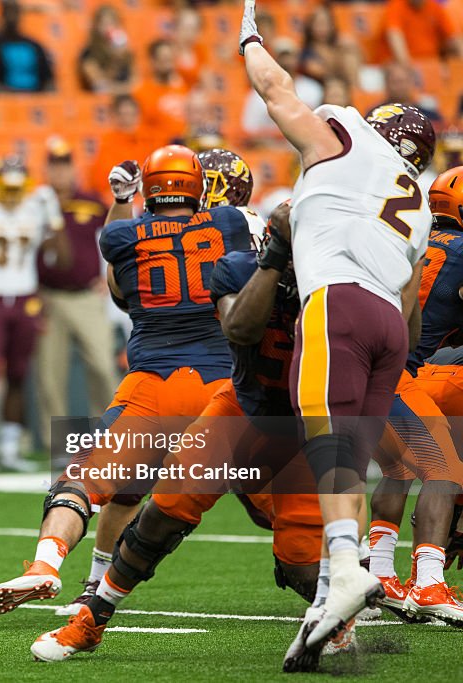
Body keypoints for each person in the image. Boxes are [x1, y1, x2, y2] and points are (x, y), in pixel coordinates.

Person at [28, 204, 327, 663]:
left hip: (302, 424)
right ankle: (94, 615)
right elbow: (240, 328)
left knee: (302, 558)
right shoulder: (238, 268)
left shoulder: (334, 282)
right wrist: (273, 266)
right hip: (240, 407)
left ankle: (343, 605)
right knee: (164, 509)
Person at [239, 1, 436, 670]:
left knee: (324, 437)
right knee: (350, 456)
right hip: (387, 320)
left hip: (341, 302)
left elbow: (277, 93)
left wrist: (248, 40)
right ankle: (329, 600)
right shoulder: (422, 196)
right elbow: (409, 301)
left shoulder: (349, 133)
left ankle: (346, 568)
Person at [0, 147, 251, 618]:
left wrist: (122, 202)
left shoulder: (125, 236)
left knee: (81, 482)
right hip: (221, 387)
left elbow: (121, 287)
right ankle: (353, 576)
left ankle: (46, 562)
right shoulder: (235, 226)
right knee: (296, 504)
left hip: (151, 386)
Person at [366, 166, 463, 626]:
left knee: (399, 467)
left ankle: (380, 573)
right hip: (393, 376)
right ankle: (428, 583)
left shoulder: (410, 242)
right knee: (443, 470)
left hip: (359, 373)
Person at [0, 157, 67, 474]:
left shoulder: (35, 207)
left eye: (16, 188)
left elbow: (61, 258)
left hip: (25, 298)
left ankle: (7, 448)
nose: (11, 195)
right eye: (6, 187)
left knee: (19, 374)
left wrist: (55, 215)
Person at [34, 137, 114, 449]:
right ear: (46, 170)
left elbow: (113, 240)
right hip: (48, 296)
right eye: (54, 166)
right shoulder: (35, 203)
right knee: (50, 373)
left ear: (73, 168)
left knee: (102, 365)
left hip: (85, 296)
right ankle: (56, 444)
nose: (59, 173)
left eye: (64, 165)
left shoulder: (92, 202)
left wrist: (108, 276)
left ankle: (108, 438)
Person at [0, 0, 54, 93]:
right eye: (7, 13)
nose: (11, 18)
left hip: (35, 99)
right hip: (5, 98)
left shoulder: (34, 46)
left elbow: (47, 79)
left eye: (15, 13)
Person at [382, 0, 463, 64]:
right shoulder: (396, 6)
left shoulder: (434, 7)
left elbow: (453, 38)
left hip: (433, 64)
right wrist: (408, 67)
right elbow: (394, 36)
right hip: (405, 66)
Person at [77, 4, 134, 95]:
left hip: (125, 98)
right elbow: (98, 83)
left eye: (112, 23)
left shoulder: (126, 51)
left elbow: (135, 82)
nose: (108, 28)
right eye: (104, 23)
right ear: (96, 26)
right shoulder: (88, 52)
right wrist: (116, 61)